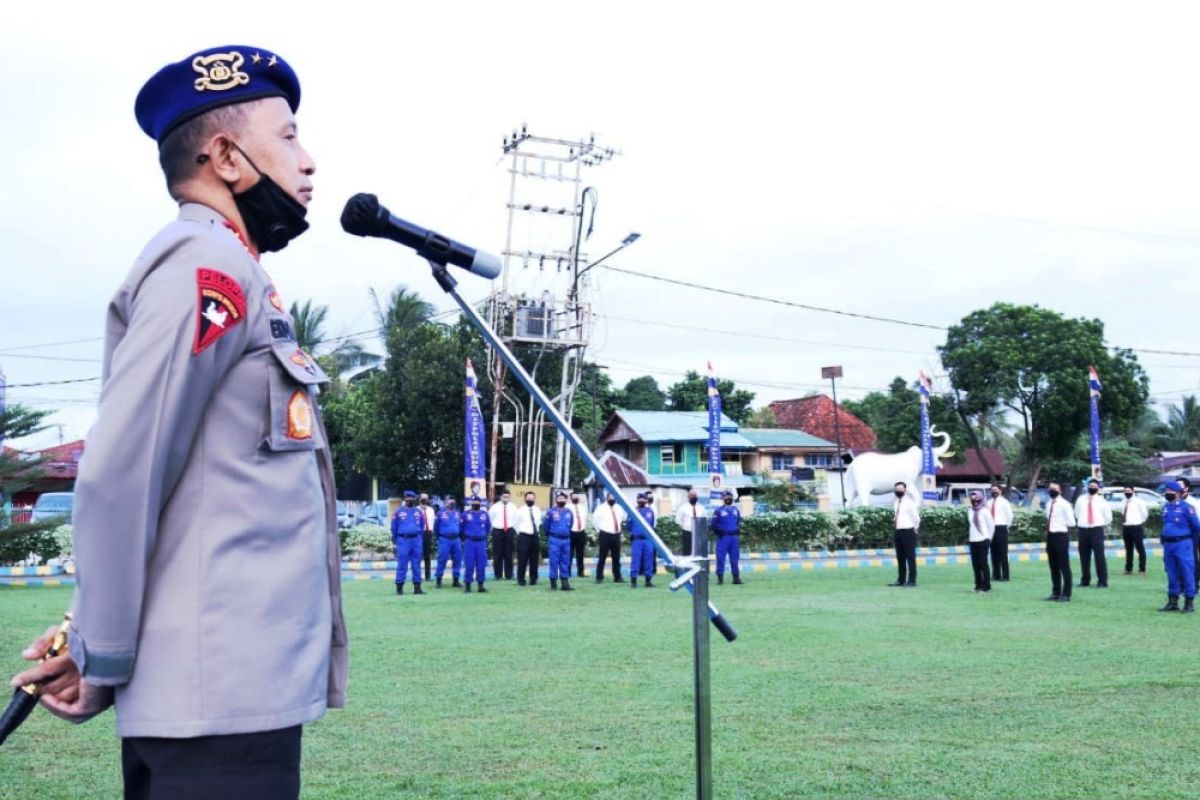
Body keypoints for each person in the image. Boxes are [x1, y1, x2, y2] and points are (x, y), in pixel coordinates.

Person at [7, 45, 346, 798]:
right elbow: (124, 473)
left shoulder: (234, 267)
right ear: (226, 156)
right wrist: (100, 652)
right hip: (215, 702)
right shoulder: (207, 268)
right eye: (288, 136)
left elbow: (180, 492)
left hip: (228, 690)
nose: (310, 161)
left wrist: (85, 627)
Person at [1157, 481, 1199, 612]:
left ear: (1177, 493)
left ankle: (1189, 602)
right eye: (1166, 491)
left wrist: (1192, 543)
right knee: (1171, 572)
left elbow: (1196, 527)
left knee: (1187, 571)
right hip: (1169, 545)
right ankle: (1172, 601)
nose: (1167, 493)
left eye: (1170, 492)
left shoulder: (1187, 507)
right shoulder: (1165, 507)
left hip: (1183, 544)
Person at [1073, 479, 1112, 588]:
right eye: (1091, 486)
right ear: (1087, 487)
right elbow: (1076, 513)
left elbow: (1108, 517)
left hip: (1096, 530)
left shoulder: (1102, 501)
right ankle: (1085, 580)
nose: (1092, 488)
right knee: (1084, 556)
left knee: (1099, 556)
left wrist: (1098, 524)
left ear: (1098, 488)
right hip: (1083, 530)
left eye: (1095, 486)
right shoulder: (1081, 499)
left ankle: (1102, 581)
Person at [1044, 482, 1076, 602]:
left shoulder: (1065, 504)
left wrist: (1061, 524)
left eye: (1055, 488)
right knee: (1053, 566)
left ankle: (1066, 594)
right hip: (1050, 536)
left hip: (1061, 535)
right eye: (1050, 488)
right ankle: (1055, 592)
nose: (1052, 490)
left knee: (1064, 566)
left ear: (1060, 490)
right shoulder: (1048, 504)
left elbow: (1071, 522)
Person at [393, 491, 426, 595]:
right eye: (408, 498)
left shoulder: (418, 512)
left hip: (416, 540)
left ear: (414, 500)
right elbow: (394, 527)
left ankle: (417, 588)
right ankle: (399, 587)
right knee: (402, 564)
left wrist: (419, 537)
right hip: (403, 540)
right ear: (405, 499)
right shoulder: (398, 512)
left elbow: (422, 525)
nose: (410, 500)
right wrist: (395, 541)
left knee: (416, 564)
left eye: (411, 498)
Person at [889, 481, 921, 588]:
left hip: (908, 531)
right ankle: (901, 579)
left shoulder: (909, 503)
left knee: (910, 557)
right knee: (900, 557)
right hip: (898, 531)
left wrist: (914, 528)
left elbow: (916, 518)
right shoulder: (896, 503)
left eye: (900, 489)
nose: (898, 491)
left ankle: (912, 580)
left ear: (905, 490)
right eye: (897, 489)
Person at [542, 490, 575, 591]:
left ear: (566, 500)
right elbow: (546, 526)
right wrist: (552, 535)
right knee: (554, 561)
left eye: (563, 498)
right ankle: (553, 583)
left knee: (565, 562)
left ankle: (565, 583)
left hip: (566, 540)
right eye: (559, 498)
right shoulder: (551, 512)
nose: (561, 500)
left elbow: (571, 524)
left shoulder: (569, 512)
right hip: (554, 540)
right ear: (556, 500)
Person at [711, 489, 744, 585]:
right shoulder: (718, 511)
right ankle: (720, 578)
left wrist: (738, 529)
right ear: (723, 498)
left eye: (730, 497)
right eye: (726, 497)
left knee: (735, 558)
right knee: (721, 557)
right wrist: (718, 532)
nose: (728, 498)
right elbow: (713, 524)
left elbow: (738, 522)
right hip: (723, 537)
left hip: (734, 538)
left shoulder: (735, 510)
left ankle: (736, 578)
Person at [592, 491, 626, 583]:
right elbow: (595, 520)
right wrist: (599, 531)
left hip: (616, 534)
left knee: (616, 557)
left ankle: (617, 577)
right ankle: (599, 577)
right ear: (607, 498)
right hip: (605, 534)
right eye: (610, 497)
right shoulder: (601, 508)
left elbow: (623, 518)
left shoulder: (619, 508)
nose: (612, 499)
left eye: (614, 497)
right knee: (602, 557)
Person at [461, 495, 491, 593]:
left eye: (478, 502)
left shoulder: (485, 514)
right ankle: (468, 585)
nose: (476, 504)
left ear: (480, 503)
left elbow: (488, 527)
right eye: (474, 502)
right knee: (469, 564)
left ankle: (481, 585)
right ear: (471, 503)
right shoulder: (465, 514)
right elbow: (461, 527)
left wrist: (482, 535)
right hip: (469, 542)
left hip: (481, 542)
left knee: (481, 564)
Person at [967, 491, 995, 593]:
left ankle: (987, 586)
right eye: (972, 499)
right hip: (973, 540)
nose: (974, 501)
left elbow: (991, 526)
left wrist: (988, 538)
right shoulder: (970, 511)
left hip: (983, 540)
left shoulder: (985, 511)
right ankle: (978, 585)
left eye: (976, 499)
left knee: (983, 563)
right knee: (975, 564)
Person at [488, 489, 519, 581]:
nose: (506, 499)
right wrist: (490, 532)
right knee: (497, 554)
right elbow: (490, 520)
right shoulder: (494, 507)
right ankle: (498, 575)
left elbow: (516, 520)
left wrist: (517, 533)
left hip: (509, 531)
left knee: (509, 554)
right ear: (500, 497)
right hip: (497, 531)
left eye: (508, 497)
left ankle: (509, 575)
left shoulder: (513, 507)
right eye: (504, 497)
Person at [433, 495, 463, 589]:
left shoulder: (458, 513)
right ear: (445, 502)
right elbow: (436, 528)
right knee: (442, 559)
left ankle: (456, 580)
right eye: (450, 500)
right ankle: (438, 581)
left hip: (456, 540)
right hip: (444, 539)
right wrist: (440, 538)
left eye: (453, 500)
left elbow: (461, 526)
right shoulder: (440, 513)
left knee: (457, 560)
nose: (452, 502)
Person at [628, 492, 657, 588]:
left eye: (643, 499)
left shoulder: (650, 511)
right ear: (637, 500)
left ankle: (648, 581)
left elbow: (652, 525)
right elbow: (629, 525)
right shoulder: (633, 511)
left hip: (648, 540)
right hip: (637, 540)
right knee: (635, 560)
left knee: (649, 559)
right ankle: (633, 581)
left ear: (646, 500)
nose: (641, 501)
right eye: (639, 499)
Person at [515, 491, 542, 586]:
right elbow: (516, 524)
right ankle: (521, 579)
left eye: (532, 498)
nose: (530, 499)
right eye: (528, 498)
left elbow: (538, 523)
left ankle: (533, 579)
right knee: (522, 559)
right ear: (525, 499)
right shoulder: (520, 510)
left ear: (534, 499)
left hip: (534, 537)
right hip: (524, 537)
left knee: (534, 559)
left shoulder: (537, 510)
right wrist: (522, 533)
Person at [1120, 486, 1150, 575]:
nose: (1127, 492)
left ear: (1133, 491)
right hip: (1126, 527)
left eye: (1129, 491)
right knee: (1128, 549)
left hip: (1136, 527)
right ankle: (1128, 569)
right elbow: (1122, 513)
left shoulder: (1138, 501)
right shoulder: (1124, 501)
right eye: (1125, 491)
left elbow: (1144, 514)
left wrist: (1138, 522)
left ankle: (1142, 569)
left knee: (1140, 548)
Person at [987, 484, 1014, 582]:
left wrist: (1006, 527)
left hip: (1001, 527)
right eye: (992, 490)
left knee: (1003, 553)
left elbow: (1009, 516)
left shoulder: (1004, 502)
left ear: (1000, 491)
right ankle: (996, 574)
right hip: (991, 529)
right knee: (993, 552)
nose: (994, 492)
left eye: (995, 490)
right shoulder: (989, 503)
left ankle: (1005, 576)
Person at [674, 488, 708, 556]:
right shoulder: (683, 508)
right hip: (687, 533)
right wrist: (685, 527)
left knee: (698, 552)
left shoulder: (702, 508)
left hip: (699, 534)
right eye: (692, 496)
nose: (694, 498)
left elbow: (705, 520)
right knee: (687, 551)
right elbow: (678, 520)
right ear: (688, 497)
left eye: (695, 496)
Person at [568, 491, 589, 578]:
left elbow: (584, 518)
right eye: (574, 496)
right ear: (570, 498)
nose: (575, 498)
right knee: (569, 554)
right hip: (571, 532)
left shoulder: (583, 507)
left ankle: (580, 572)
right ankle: (567, 572)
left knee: (580, 554)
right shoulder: (567, 508)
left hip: (581, 532)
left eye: (577, 496)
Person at [418, 492, 436, 582]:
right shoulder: (416, 510)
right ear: (419, 499)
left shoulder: (431, 510)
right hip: (419, 534)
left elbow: (432, 522)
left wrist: (431, 532)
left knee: (427, 556)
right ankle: (418, 576)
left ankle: (427, 576)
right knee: (418, 555)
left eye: (426, 498)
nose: (425, 500)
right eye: (423, 498)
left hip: (428, 534)